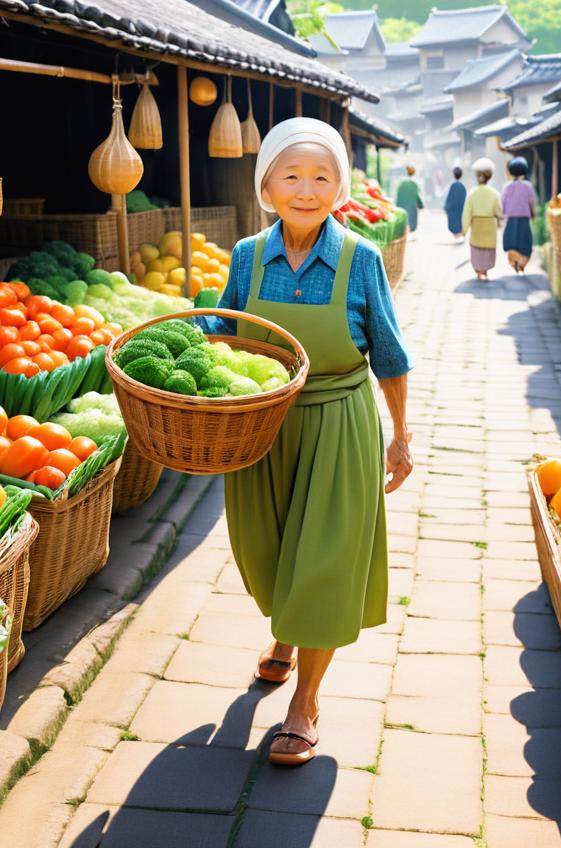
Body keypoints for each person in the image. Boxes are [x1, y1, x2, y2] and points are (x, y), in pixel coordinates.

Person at [202, 118, 414, 767]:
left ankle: (305, 704)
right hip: (265, 422)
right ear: (266, 185)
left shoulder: (361, 259)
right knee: (264, 551)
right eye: (291, 175)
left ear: (340, 188)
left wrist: (401, 436)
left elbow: (390, 353)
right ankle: (285, 635)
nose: (306, 189)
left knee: (323, 560)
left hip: (339, 419)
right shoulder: (244, 256)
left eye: (322, 176)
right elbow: (225, 328)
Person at [461, 157, 503, 279]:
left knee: (477, 249)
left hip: (477, 226)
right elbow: (499, 212)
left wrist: (464, 229)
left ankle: (478, 270)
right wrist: (500, 221)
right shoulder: (495, 193)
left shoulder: (472, 193)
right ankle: (485, 270)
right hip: (490, 225)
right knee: (488, 250)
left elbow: (466, 213)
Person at [501, 156, 536, 273]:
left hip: (511, 220)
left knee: (512, 244)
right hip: (524, 219)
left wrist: (502, 216)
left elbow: (503, 202)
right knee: (525, 243)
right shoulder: (528, 186)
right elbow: (531, 203)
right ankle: (522, 264)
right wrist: (533, 214)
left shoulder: (507, 186)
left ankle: (515, 263)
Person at [394, 164, 424, 233]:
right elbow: (417, 196)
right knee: (411, 222)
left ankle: (405, 234)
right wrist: (421, 205)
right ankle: (409, 233)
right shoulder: (415, 183)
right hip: (411, 206)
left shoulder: (401, 182)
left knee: (403, 222)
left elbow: (398, 194)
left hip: (401, 205)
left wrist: (397, 205)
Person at [443, 166, 467, 240]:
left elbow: (449, 199)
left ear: (453, 175)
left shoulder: (452, 186)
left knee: (454, 227)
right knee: (460, 226)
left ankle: (457, 238)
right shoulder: (463, 187)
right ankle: (460, 237)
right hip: (461, 211)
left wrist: (446, 208)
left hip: (453, 211)